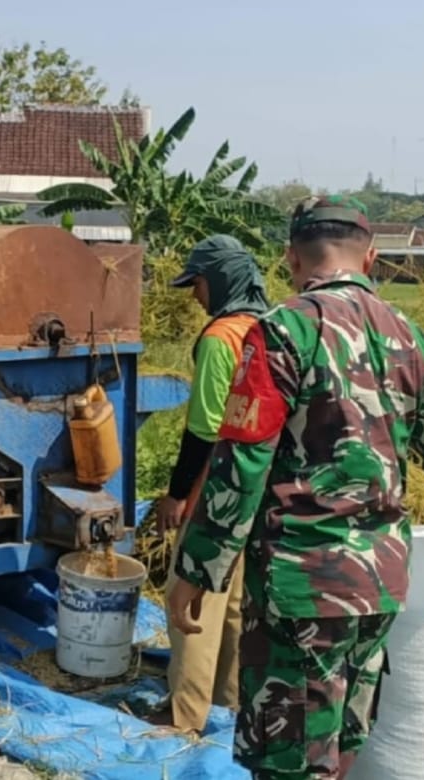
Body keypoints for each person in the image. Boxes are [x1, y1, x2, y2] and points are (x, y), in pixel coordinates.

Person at [167, 195, 424, 780]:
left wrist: (198, 569)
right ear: (370, 258)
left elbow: (242, 462)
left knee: (294, 762)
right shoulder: (410, 337)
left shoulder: (282, 332)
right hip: (378, 586)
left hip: (302, 589)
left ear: (291, 259)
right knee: (344, 744)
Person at [149, 234, 270, 734]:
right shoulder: (271, 326)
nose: (195, 296)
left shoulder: (221, 338)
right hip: (261, 485)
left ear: (219, 281)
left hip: (219, 488)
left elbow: (205, 431)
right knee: (236, 600)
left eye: (197, 284)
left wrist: (179, 496)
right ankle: (229, 703)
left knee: (192, 595)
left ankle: (184, 714)